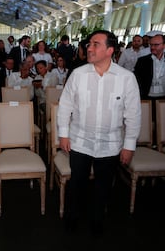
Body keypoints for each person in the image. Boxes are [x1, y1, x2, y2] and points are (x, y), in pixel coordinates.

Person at [57, 30, 141, 235]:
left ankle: (97, 219)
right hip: (79, 140)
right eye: (89, 44)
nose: (89, 48)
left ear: (109, 50)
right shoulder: (78, 74)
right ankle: (73, 217)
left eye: (95, 44)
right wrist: (64, 134)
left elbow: (133, 114)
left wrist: (129, 145)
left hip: (110, 143)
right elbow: (65, 105)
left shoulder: (126, 78)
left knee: (103, 187)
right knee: (77, 184)